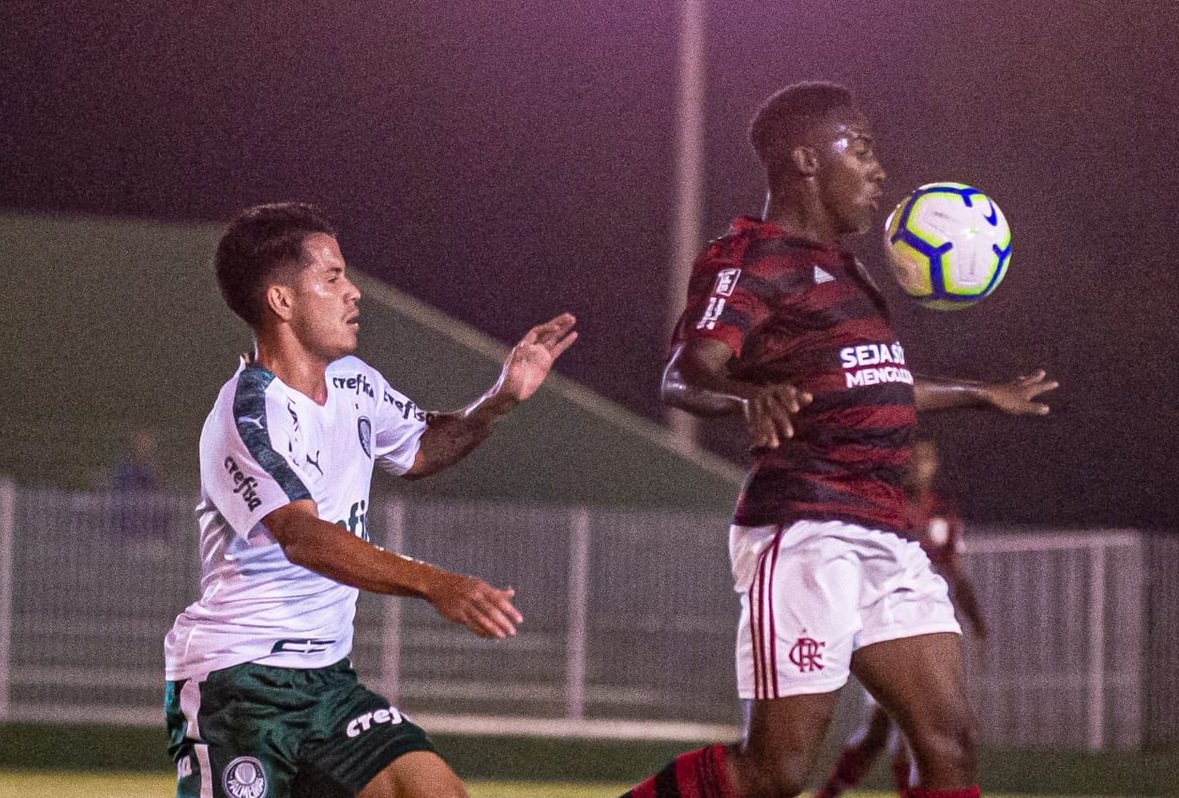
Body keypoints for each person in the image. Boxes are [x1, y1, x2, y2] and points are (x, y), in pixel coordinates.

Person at [621, 82, 1056, 798]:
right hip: (807, 528)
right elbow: (684, 374)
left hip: (885, 533)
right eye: (860, 147)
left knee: (949, 742)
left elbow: (874, 385)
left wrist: (978, 393)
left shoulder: (850, 273)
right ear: (805, 161)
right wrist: (746, 395)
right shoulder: (754, 258)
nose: (879, 169)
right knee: (774, 775)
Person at [163, 202, 577, 798]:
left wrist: (501, 398)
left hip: (328, 683)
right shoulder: (247, 414)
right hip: (239, 681)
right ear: (282, 301)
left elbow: (421, 448)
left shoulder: (357, 382)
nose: (353, 292)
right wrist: (438, 583)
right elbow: (303, 536)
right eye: (331, 278)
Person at [816, 439, 990, 798]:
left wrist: (977, 623)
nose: (919, 464)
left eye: (927, 458)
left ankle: (829, 792)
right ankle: (832, 791)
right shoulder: (881, 502)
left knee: (892, 729)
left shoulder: (941, 512)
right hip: (879, 625)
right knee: (905, 725)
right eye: (914, 457)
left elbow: (956, 573)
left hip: (926, 626)